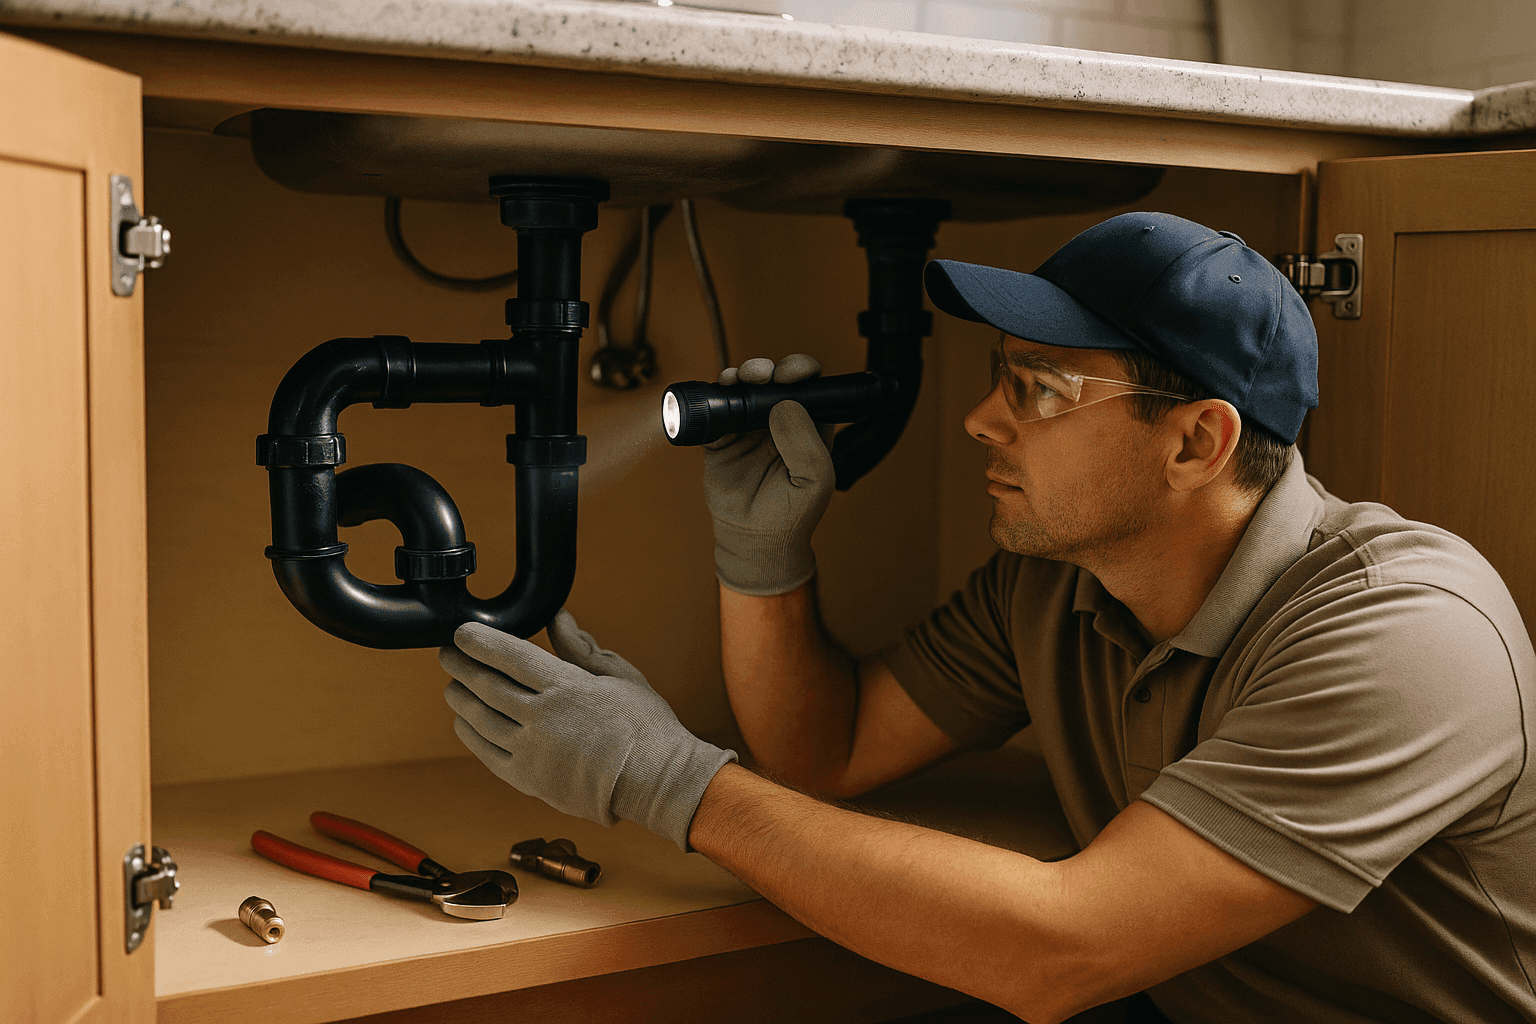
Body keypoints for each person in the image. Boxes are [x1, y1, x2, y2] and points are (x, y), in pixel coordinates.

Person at [440, 212, 1535, 1024]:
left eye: (1041, 390)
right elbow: (827, 749)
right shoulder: (1061, 584)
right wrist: (762, 560)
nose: (978, 418)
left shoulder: (1404, 637)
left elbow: (1062, 950)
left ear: (1197, 442)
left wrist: (667, 779)